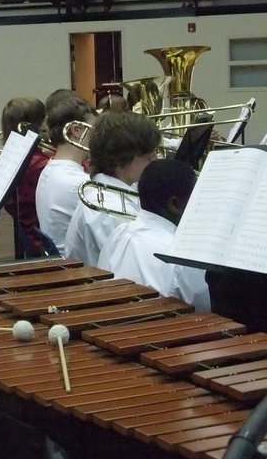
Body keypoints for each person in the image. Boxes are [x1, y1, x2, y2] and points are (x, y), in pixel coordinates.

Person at [98, 159, 210, 311]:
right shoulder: (182, 257)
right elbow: (204, 313)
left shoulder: (119, 232)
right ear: (175, 204)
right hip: (162, 331)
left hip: (113, 322)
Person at [64, 111, 161, 265]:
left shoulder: (107, 189)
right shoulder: (111, 210)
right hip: (105, 285)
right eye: (148, 156)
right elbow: (140, 263)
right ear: (122, 158)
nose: (156, 159)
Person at [35, 96, 97, 256]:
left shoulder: (49, 168)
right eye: (94, 129)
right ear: (76, 130)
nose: (97, 136)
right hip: (78, 268)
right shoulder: (80, 184)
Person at [0, 97, 52, 256]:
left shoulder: (13, 156)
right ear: (39, 124)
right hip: (40, 241)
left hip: (30, 233)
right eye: (44, 118)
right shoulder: (38, 165)